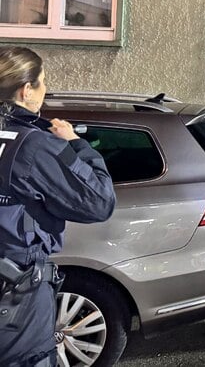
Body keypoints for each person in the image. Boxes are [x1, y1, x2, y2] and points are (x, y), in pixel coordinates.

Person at [0, 46, 116, 367]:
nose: (45, 90)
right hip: (16, 299)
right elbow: (99, 201)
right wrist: (74, 145)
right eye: (43, 82)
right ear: (26, 90)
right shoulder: (35, 146)